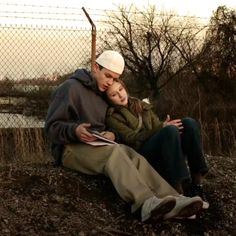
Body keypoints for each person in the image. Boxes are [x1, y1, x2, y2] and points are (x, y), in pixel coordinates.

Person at [45, 50, 205, 222]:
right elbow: (51, 128)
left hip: (98, 143)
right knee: (113, 154)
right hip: (70, 148)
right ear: (95, 67)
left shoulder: (102, 95)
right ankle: (145, 203)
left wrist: (112, 135)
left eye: (114, 78)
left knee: (131, 155)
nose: (110, 82)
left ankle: (175, 200)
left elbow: (111, 127)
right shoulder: (70, 88)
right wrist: (74, 130)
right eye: (108, 76)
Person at [105, 79, 209, 208]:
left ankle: (197, 185)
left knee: (189, 123)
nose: (120, 95)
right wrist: (162, 128)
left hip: (158, 143)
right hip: (142, 153)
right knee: (169, 130)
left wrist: (164, 125)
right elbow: (132, 138)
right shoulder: (112, 117)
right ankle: (177, 191)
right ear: (109, 99)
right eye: (114, 94)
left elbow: (158, 125)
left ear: (125, 88)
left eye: (120, 89)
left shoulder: (141, 104)